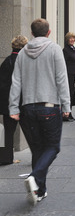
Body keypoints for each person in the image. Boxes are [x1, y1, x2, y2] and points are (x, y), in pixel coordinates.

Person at [9, 18, 70, 205]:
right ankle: (35, 178)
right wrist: (66, 106)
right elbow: (62, 78)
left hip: (27, 108)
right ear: (49, 32)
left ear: (32, 33)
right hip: (49, 107)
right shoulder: (54, 49)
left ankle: (39, 190)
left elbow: (16, 81)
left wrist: (13, 107)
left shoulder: (22, 53)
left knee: (37, 149)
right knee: (52, 147)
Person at [0, 35, 28, 165]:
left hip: (7, 103)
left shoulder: (6, 61)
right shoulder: (23, 62)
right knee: (30, 130)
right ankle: (38, 157)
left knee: (8, 132)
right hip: (21, 102)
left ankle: (6, 158)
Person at [63, 32, 75, 121]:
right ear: (67, 39)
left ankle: (70, 113)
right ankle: (66, 114)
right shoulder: (65, 50)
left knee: (71, 93)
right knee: (68, 94)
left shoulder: (72, 49)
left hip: (72, 74)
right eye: (70, 38)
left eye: (73, 38)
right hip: (68, 74)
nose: (72, 40)